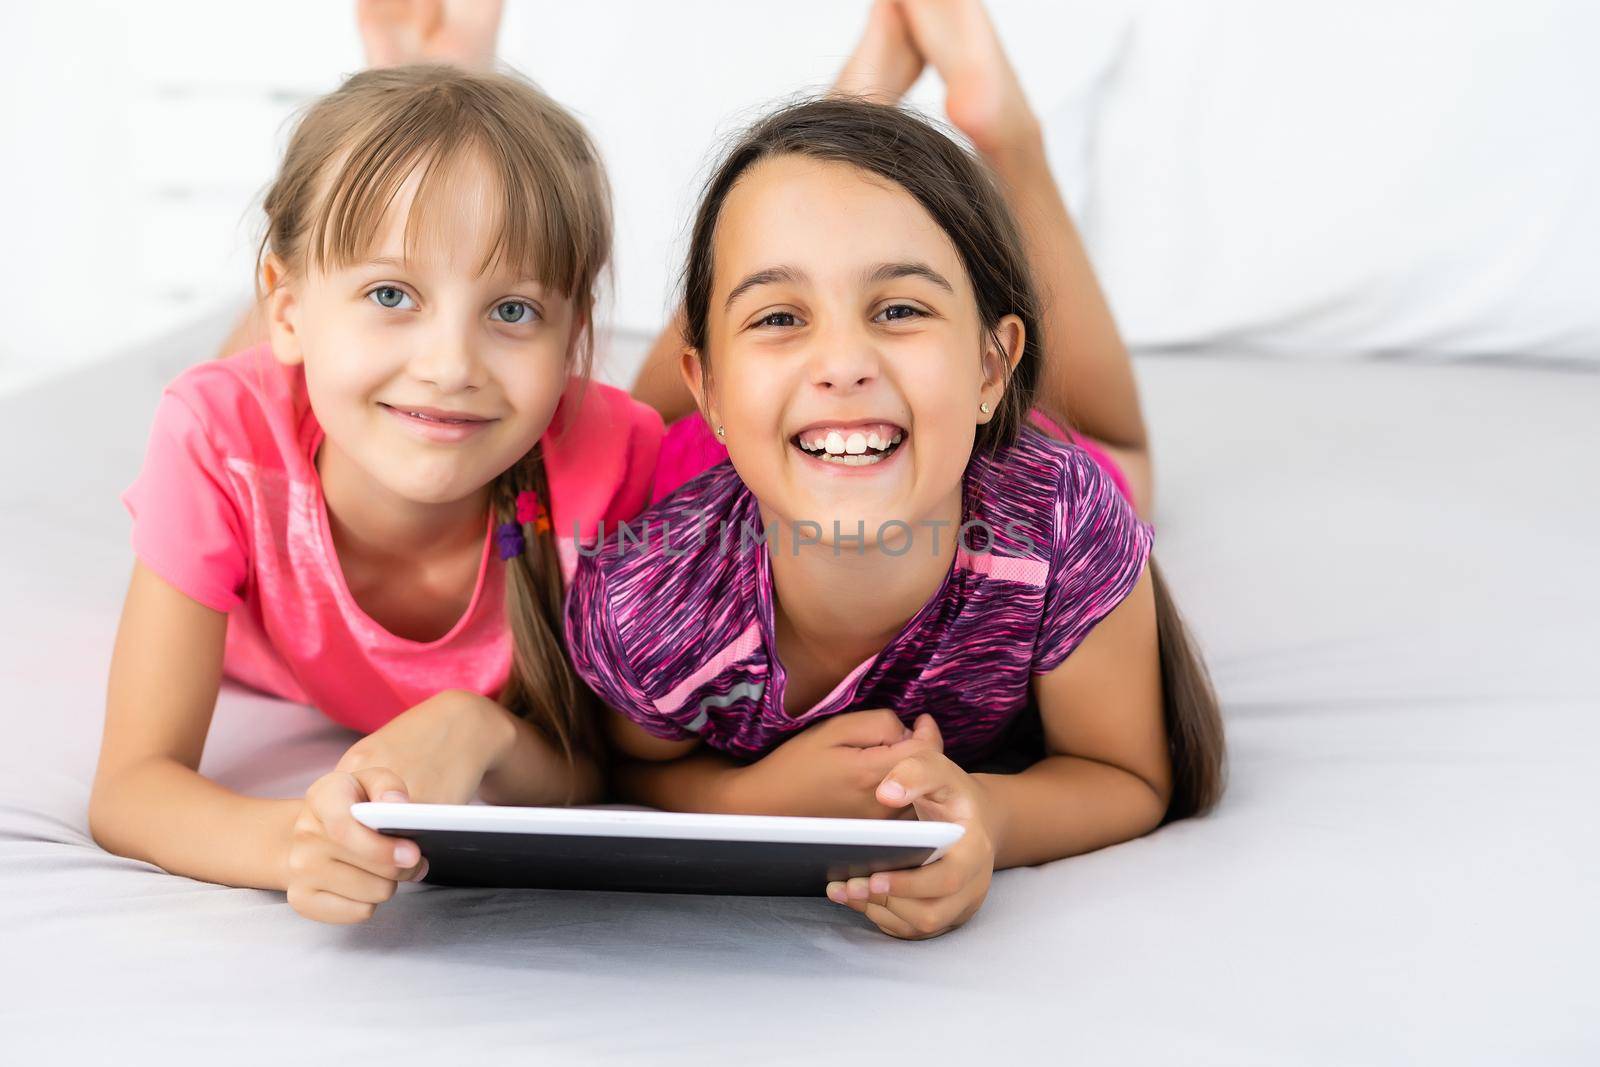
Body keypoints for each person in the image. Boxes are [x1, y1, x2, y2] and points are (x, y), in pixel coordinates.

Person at [563, 80, 1225, 939]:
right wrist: (748, 799)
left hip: (931, 445)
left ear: (993, 367)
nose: (844, 360)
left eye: (901, 307)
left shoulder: (1060, 519)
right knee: (641, 434)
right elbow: (621, 767)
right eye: (779, 314)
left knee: (1123, 458)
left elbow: (1125, 774)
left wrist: (984, 816)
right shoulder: (645, 604)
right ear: (712, 387)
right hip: (754, 458)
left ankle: (1010, 142)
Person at [91, 64, 661, 924]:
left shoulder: (613, 461)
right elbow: (130, 787)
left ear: (574, 333)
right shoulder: (213, 442)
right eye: (391, 293)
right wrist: (299, 844)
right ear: (280, 307)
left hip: (527, 434)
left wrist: (481, 728)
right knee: (235, 387)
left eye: (512, 311)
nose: (451, 365)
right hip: (264, 572)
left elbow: (609, 762)